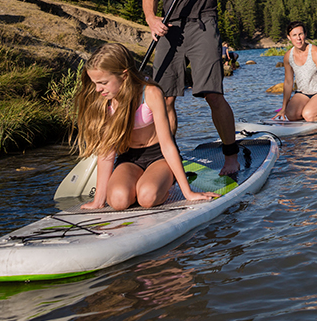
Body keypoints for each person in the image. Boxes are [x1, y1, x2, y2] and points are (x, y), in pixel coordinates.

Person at [142, 0, 240, 175]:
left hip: (203, 23)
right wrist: (150, 18)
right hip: (169, 27)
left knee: (212, 93)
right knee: (165, 97)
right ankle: (169, 161)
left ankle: (231, 155)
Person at [75, 43, 219, 210]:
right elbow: (106, 152)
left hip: (158, 157)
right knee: (117, 201)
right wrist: (98, 201)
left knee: (147, 198)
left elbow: (167, 145)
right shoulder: (105, 101)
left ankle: (165, 186)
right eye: (95, 83)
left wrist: (188, 193)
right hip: (129, 159)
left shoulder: (150, 93)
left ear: (124, 75)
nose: (98, 89)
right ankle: (138, 185)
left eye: (103, 82)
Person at [275, 21, 317, 122]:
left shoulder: (315, 52)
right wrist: (284, 108)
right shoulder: (288, 56)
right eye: (294, 35)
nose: (298, 38)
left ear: (305, 34)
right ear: (289, 37)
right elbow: (288, 82)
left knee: (309, 115)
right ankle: (310, 109)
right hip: (303, 93)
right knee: (291, 115)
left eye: (300, 34)